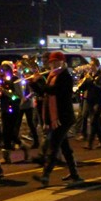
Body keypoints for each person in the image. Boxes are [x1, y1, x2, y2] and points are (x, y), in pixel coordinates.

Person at [33, 51, 83, 187]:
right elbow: (44, 92)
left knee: (54, 146)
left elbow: (52, 91)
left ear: (62, 62)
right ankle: (75, 174)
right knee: (65, 147)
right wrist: (33, 83)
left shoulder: (65, 76)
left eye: (56, 61)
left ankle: (45, 176)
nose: (53, 64)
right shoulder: (51, 76)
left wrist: (40, 81)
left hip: (63, 117)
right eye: (52, 62)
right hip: (56, 117)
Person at [0, 61, 29, 164]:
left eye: (6, 69)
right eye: (3, 69)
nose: (4, 71)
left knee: (10, 132)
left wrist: (6, 93)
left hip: (13, 109)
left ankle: (22, 146)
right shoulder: (3, 81)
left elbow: (19, 96)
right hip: (4, 108)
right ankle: (7, 156)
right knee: (6, 132)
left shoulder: (16, 80)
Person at [77, 57, 101, 149]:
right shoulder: (89, 74)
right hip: (90, 99)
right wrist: (82, 82)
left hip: (98, 100)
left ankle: (89, 143)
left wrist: (91, 80)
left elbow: (100, 87)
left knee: (93, 120)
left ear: (97, 65)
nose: (91, 66)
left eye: (92, 65)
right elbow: (83, 87)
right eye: (90, 65)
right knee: (95, 121)